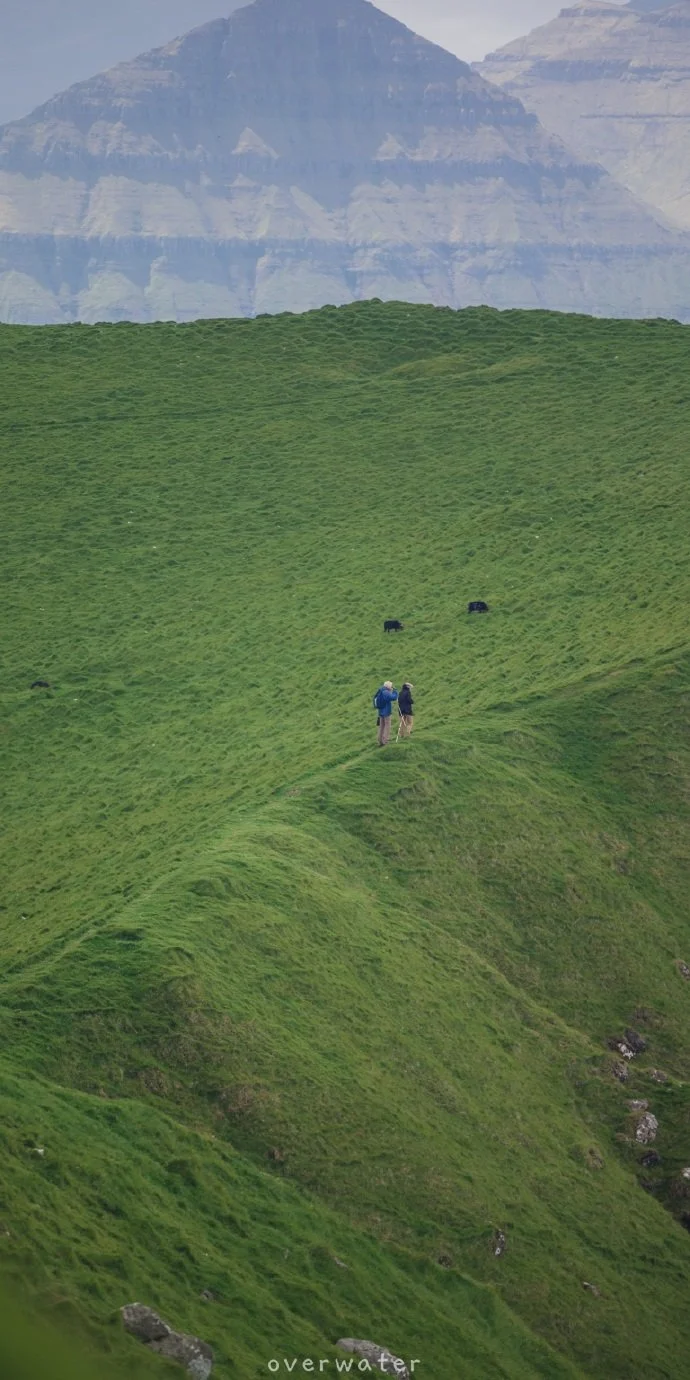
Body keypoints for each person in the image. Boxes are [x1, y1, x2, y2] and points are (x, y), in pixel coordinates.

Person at [374, 680, 398, 746]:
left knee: (381, 726)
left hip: (380, 712)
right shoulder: (386, 692)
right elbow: (394, 697)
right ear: (389, 686)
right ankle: (385, 741)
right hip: (386, 712)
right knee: (387, 726)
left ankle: (380, 740)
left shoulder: (380, 691)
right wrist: (395, 691)